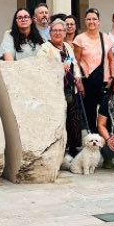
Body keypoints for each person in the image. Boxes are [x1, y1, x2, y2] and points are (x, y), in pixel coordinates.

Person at [39, 18, 85, 155]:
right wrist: (59, 67)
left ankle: (73, 148)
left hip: (70, 88)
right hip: (55, 91)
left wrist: (78, 78)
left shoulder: (67, 47)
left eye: (60, 30)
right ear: (50, 32)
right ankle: (58, 150)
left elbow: (74, 64)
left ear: (65, 32)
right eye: (54, 30)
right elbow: (41, 67)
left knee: (73, 119)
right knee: (59, 120)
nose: (58, 33)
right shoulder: (45, 48)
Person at [73, 8, 114, 131]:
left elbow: (111, 59)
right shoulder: (80, 39)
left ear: (99, 21)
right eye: (89, 19)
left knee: (105, 112)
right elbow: (76, 61)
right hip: (88, 80)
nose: (92, 22)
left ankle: (106, 139)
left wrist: (112, 77)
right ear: (85, 21)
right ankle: (93, 140)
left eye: (94, 19)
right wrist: (79, 81)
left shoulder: (106, 37)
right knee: (90, 112)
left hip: (104, 80)